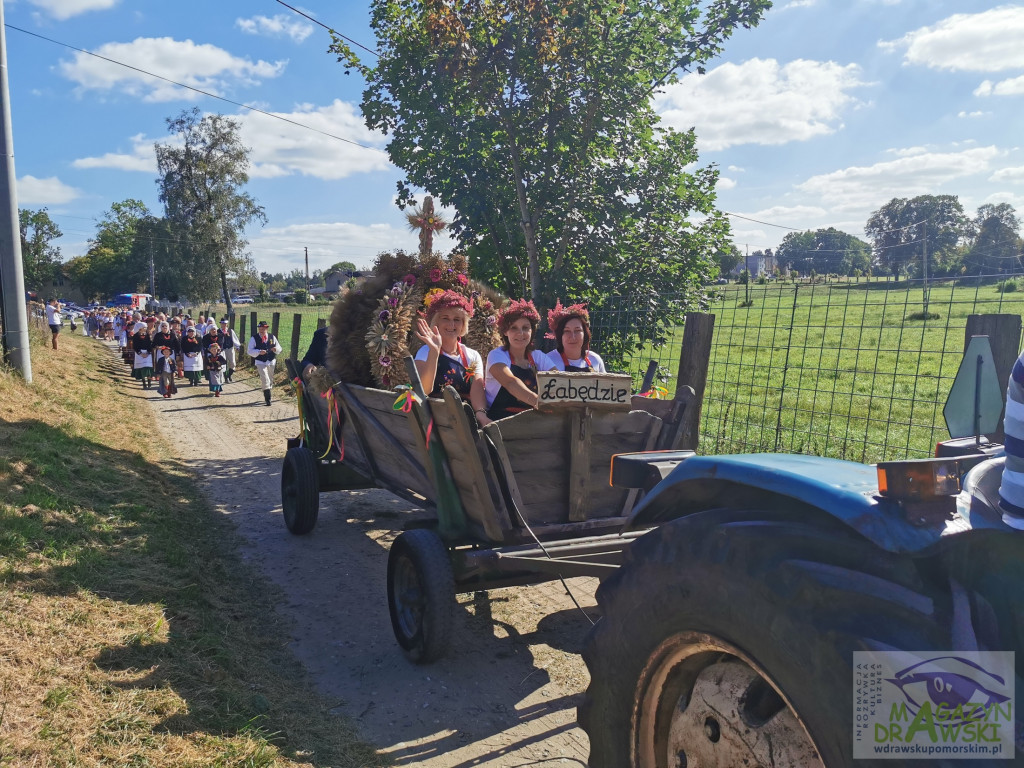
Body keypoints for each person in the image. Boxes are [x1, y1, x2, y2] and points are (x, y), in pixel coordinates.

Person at [480, 299, 552, 425]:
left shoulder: (538, 356)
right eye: (514, 328)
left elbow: (557, 378)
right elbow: (510, 382)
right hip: (500, 421)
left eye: (526, 328)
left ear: (532, 331)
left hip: (532, 420)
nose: (520, 333)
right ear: (505, 332)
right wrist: (538, 402)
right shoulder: (497, 355)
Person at [413, 290, 487, 411]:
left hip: (465, 416)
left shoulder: (472, 356)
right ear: (436, 322)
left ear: (463, 325)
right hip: (437, 417)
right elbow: (423, 391)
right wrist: (434, 352)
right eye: (445, 318)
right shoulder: (425, 351)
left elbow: (477, 392)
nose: (451, 324)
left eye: (457, 319)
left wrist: (480, 414)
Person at [546, 300, 606, 373]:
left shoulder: (595, 360)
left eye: (577, 331)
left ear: (585, 333)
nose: (573, 337)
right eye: (567, 331)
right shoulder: (548, 361)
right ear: (560, 335)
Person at [248, 320, 282, 406]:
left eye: (263, 328)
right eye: (260, 328)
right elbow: (249, 351)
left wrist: (275, 349)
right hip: (260, 361)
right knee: (264, 378)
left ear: (266, 328)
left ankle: (268, 390)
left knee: (270, 379)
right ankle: (268, 398)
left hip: (271, 360)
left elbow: (279, 347)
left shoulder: (272, 337)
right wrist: (259, 351)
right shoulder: (254, 338)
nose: (261, 330)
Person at [131, 323, 155, 389]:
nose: (145, 329)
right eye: (144, 327)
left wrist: (148, 352)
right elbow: (135, 346)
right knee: (142, 368)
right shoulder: (135, 336)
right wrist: (140, 353)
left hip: (147, 353)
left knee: (148, 368)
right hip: (139, 353)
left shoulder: (147, 335)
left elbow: (150, 344)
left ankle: (149, 382)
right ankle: (144, 383)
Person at [217, 318, 240, 383]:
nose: (224, 325)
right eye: (222, 323)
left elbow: (234, 339)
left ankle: (229, 375)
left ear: (227, 324)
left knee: (232, 363)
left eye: (225, 323)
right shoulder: (218, 331)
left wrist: (237, 346)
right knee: (223, 364)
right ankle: (226, 377)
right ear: (220, 324)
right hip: (222, 350)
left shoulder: (230, 331)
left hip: (230, 348)